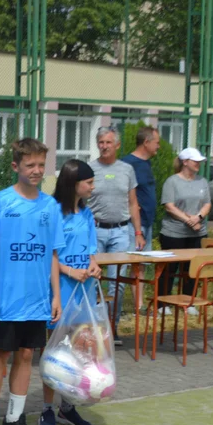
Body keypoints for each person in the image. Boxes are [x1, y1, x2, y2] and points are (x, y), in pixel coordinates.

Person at [0, 137, 64, 425]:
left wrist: (55, 296)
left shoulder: (50, 206)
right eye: (30, 165)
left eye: (41, 165)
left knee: (27, 356)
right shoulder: (0, 202)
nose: (36, 170)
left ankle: (14, 419)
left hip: (38, 300)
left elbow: (53, 254)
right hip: (6, 299)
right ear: (15, 166)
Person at [39, 159, 101, 425]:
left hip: (83, 291)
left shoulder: (86, 213)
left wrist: (93, 265)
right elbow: (50, 253)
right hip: (61, 290)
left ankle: (67, 407)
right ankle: (46, 409)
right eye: (89, 182)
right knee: (55, 352)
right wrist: (68, 270)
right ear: (74, 183)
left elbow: (89, 250)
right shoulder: (53, 211)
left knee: (78, 349)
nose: (92, 187)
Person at [88, 125, 144, 336]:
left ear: (117, 145)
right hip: (96, 230)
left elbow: (132, 202)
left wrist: (138, 232)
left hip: (121, 231)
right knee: (93, 281)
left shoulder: (127, 169)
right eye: (101, 143)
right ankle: (94, 327)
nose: (104, 146)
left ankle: (112, 327)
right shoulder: (90, 168)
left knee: (117, 283)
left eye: (108, 142)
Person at [158, 148, 212, 303]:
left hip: (197, 233)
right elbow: (169, 206)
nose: (198, 164)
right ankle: (164, 302)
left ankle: (189, 301)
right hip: (173, 234)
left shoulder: (202, 181)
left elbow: (207, 204)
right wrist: (188, 221)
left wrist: (198, 217)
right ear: (185, 162)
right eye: (195, 161)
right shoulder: (172, 181)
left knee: (192, 269)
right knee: (169, 269)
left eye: (199, 161)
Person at [121, 125, 160, 309]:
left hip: (147, 223)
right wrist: (137, 228)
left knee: (141, 263)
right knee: (130, 263)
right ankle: (118, 306)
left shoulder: (147, 164)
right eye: (157, 142)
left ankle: (139, 305)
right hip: (134, 224)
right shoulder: (128, 164)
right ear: (146, 142)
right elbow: (129, 197)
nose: (159, 146)